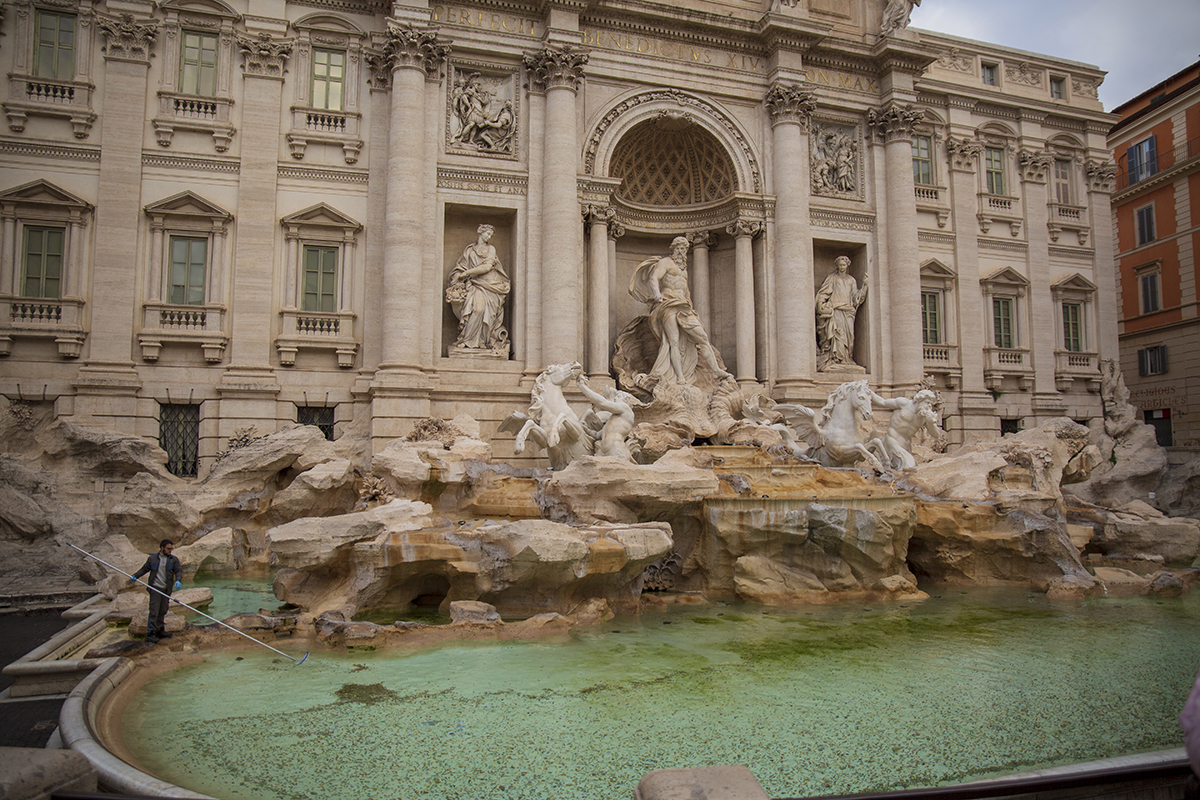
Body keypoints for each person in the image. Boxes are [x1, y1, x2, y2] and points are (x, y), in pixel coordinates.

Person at [630, 236, 732, 385]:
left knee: (702, 337)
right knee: (674, 342)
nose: (682, 251)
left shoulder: (683, 270)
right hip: (668, 304)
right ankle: (680, 377)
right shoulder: (665, 263)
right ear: (673, 249)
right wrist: (657, 294)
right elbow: (653, 278)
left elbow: (686, 291)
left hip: (684, 307)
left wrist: (689, 304)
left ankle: (715, 370)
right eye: (679, 248)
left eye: (684, 249)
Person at [447, 224, 511, 350]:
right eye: (487, 234)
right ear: (480, 232)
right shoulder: (469, 250)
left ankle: (484, 341)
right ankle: (468, 341)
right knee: (477, 310)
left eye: (491, 235)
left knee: (486, 313)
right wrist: (458, 276)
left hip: (490, 285)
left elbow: (487, 267)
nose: (489, 237)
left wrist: (467, 273)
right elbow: (461, 266)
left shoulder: (491, 249)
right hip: (475, 285)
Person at [815, 255, 868, 371]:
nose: (842, 267)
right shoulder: (832, 278)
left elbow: (856, 298)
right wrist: (820, 304)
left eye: (844, 265)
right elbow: (824, 293)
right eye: (840, 265)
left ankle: (846, 358)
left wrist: (865, 285)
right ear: (837, 265)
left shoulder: (851, 280)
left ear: (847, 265)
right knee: (838, 336)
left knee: (849, 336)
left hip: (848, 311)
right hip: (836, 310)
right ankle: (836, 359)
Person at [868, 389, 940, 469]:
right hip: (892, 440)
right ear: (919, 400)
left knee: (904, 469)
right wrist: (869, 392)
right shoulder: (904, 403)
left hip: (906, 446)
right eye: (927, 403)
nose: (930, 406)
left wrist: (931, 422)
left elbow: (936, 435)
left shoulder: (924, 417)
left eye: (931, 404)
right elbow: (882, 402)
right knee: (909, 466)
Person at [577, 375, 644, 462]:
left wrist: (583, 387)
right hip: (602, 451)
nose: (615, 398)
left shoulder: (626, 409)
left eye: (618, 396)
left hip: (616, 450)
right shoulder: (614, 419)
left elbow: (602, 402)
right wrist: (586, 429)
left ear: (627, 401)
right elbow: (597, 435)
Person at [130, 539, 183, 643]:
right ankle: (151, 633)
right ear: (162, 548)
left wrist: (178, 580)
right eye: (168, 549)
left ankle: (160, 630)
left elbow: (178, 570)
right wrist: (136, 576)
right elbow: (144, 569)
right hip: (155, 588)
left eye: (171, 549)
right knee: (154, 610)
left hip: (166, 589)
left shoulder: (173, 560)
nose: (170, 551)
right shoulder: (152, 559)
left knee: (163, 609)